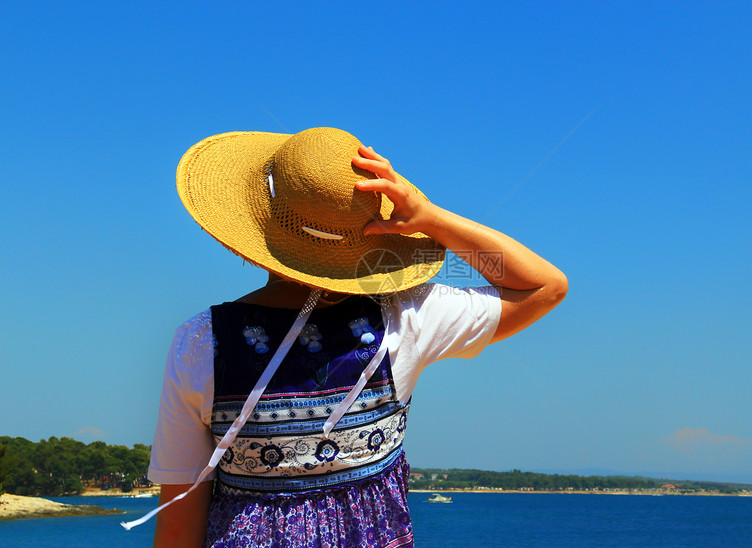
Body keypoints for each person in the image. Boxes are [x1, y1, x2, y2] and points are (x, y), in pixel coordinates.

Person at [143, 127, 567, 547]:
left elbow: (180, 522)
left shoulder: (200, 342)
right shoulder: (406, 316)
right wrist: (433, 218)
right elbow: (544, 286)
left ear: (260, 222)